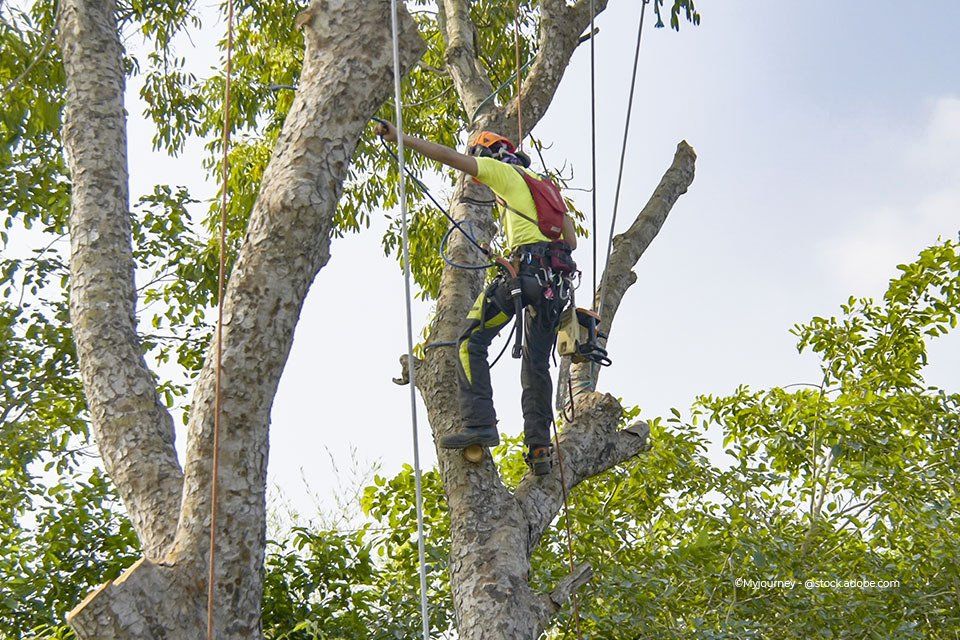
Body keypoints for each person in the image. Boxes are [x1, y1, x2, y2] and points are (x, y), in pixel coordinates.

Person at [374, 121, 578, 476]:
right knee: (537, 365)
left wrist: (400, 138)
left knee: (470, 341)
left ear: (490, 154)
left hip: (526, 280)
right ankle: (539, 447)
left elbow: (450, 158)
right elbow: (570, 241)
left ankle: (480, 423)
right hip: (552, 289)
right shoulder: (546, 189)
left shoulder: (504, 172)